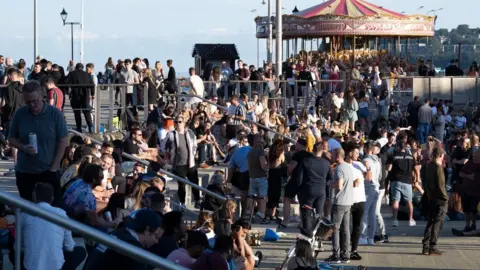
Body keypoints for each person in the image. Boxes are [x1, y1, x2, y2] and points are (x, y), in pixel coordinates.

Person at [8, 80, 68, 203]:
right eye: (28, 102)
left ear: (41, 96)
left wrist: (55, 166)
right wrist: (23, 147)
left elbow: (63, 140)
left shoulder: (55, 114)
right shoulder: (20, 114)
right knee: (28, 209)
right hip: (25, 171)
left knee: (53, 210)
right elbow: (11, 138)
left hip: (48, 170)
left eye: (34, 101)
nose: (32, 105)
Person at [21, 183, 87, 270]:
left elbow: (18, 245)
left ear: (34, 196)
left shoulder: (25, 214)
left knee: (16, 253)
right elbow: (69, 247)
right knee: (81, 251)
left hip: (30, 267)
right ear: (52, 199)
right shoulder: (61, 214)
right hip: (55, 267)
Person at [84, 209, 163, 270]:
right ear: (147, 230)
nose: (156, 241)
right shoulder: (132, 247)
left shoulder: (118, 233)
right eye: (155, 236)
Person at [295, 143, 332, 238]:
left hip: (308, 190)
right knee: (319, 215)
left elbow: (299, 179)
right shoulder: (326, 163)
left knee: (307, 214)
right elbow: (329, 178)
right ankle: (317, 237)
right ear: (322, 150)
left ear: (313, 150)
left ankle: (308, 236)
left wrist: (299, 190)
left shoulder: (306, 161)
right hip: (321, 191)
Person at [326, 145, 355, 264]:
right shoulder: (348, 167)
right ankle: (346, 254)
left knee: (335, 229)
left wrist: (329, 183)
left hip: (340, 202)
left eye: (333, 155)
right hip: (349, 201)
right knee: (346, 229)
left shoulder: (339, 168)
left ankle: (336, 254)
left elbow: (339, 185)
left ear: (338, 157)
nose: (331, 157)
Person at [162, 115, 200, 208]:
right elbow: (163, 146)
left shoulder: (190, 132)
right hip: (179, 164)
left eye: (180, 122)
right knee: (181, 185)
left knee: (195, 182)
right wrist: (168, 156)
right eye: (176, 122)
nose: (178, 124)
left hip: (190, 163)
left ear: (184, 123)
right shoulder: (171, 134)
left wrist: (193, 153)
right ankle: (182, 203)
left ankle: (197, 200)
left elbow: (195, 144)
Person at [422, 147, 448, 256]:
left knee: (430, 222)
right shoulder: (438, 167)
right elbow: (441, 185)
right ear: (441, 156)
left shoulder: (428, 166)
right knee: (438, 222)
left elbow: (426, 182)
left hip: (431, 196)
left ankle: (426, 246)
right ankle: (433, 246)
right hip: (439, 198)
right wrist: (445, 197)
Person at [387, 140, 416, 227]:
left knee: (396, 201)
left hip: (396, 180)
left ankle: (395, 220)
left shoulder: (394, 156)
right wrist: (416, 179)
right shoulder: (411, 157)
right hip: (407, 181)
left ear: (398, 147)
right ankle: (410, 220)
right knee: (409, 202)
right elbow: (416, 169)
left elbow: (388, 168)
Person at [64, 63, 95, 133]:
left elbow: (65, 81)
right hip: (85, 96)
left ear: (76, 68)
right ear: (82, 67)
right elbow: (92, 85)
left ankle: (79, 128)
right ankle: (90, 127)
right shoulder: (87, 74)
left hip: (75, 95)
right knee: (86, 112)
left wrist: (67, 90)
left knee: (77, 113)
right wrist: (93, 94)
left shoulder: (72, 73)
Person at [246, 134, 269, 223]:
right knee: (263, 198)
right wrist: (268, 165)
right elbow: (263, 165)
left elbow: (248, 166)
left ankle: (249, 214)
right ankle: (261, 216)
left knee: (252, 197)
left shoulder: (250, 152)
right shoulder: (260, 151)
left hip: (252, 177)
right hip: (261, 177)